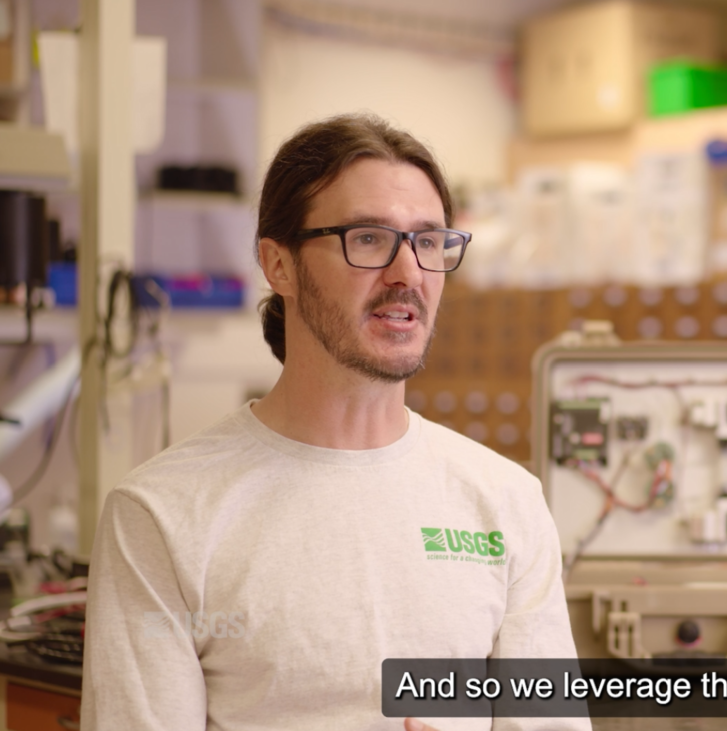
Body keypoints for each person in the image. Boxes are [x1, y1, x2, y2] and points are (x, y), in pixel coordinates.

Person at [81, 113, 587, 731]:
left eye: (428, 242)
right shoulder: (161, 516)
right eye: (369, 238)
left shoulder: (507, 502)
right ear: (279, 265)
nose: (409, 274)